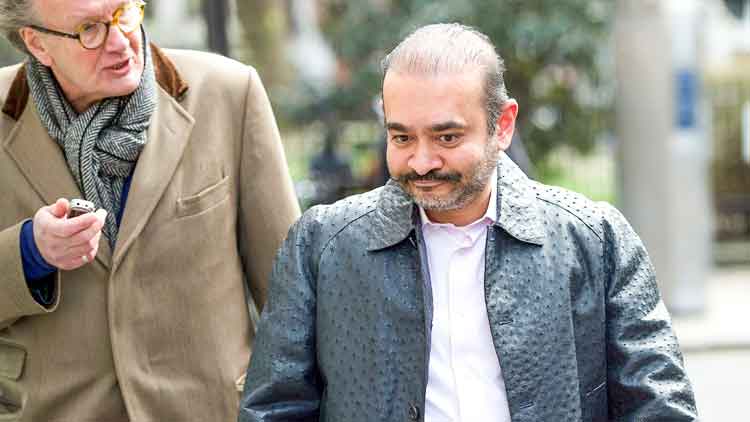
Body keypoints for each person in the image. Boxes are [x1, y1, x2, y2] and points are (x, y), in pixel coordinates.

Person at [239, 23, 698, 422]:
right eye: (402, 137)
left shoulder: (596, 240)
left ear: (503, 125)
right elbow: (275, 408)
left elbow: (659, 406)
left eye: (446, 137)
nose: (421, 161)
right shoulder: (322, 246)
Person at [0, 1, 300, 420]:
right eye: (89, 29)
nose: (120, 41)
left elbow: (290, 298)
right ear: (37, 43)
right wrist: (29, 252)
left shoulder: (228, 92)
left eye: (123, 11)